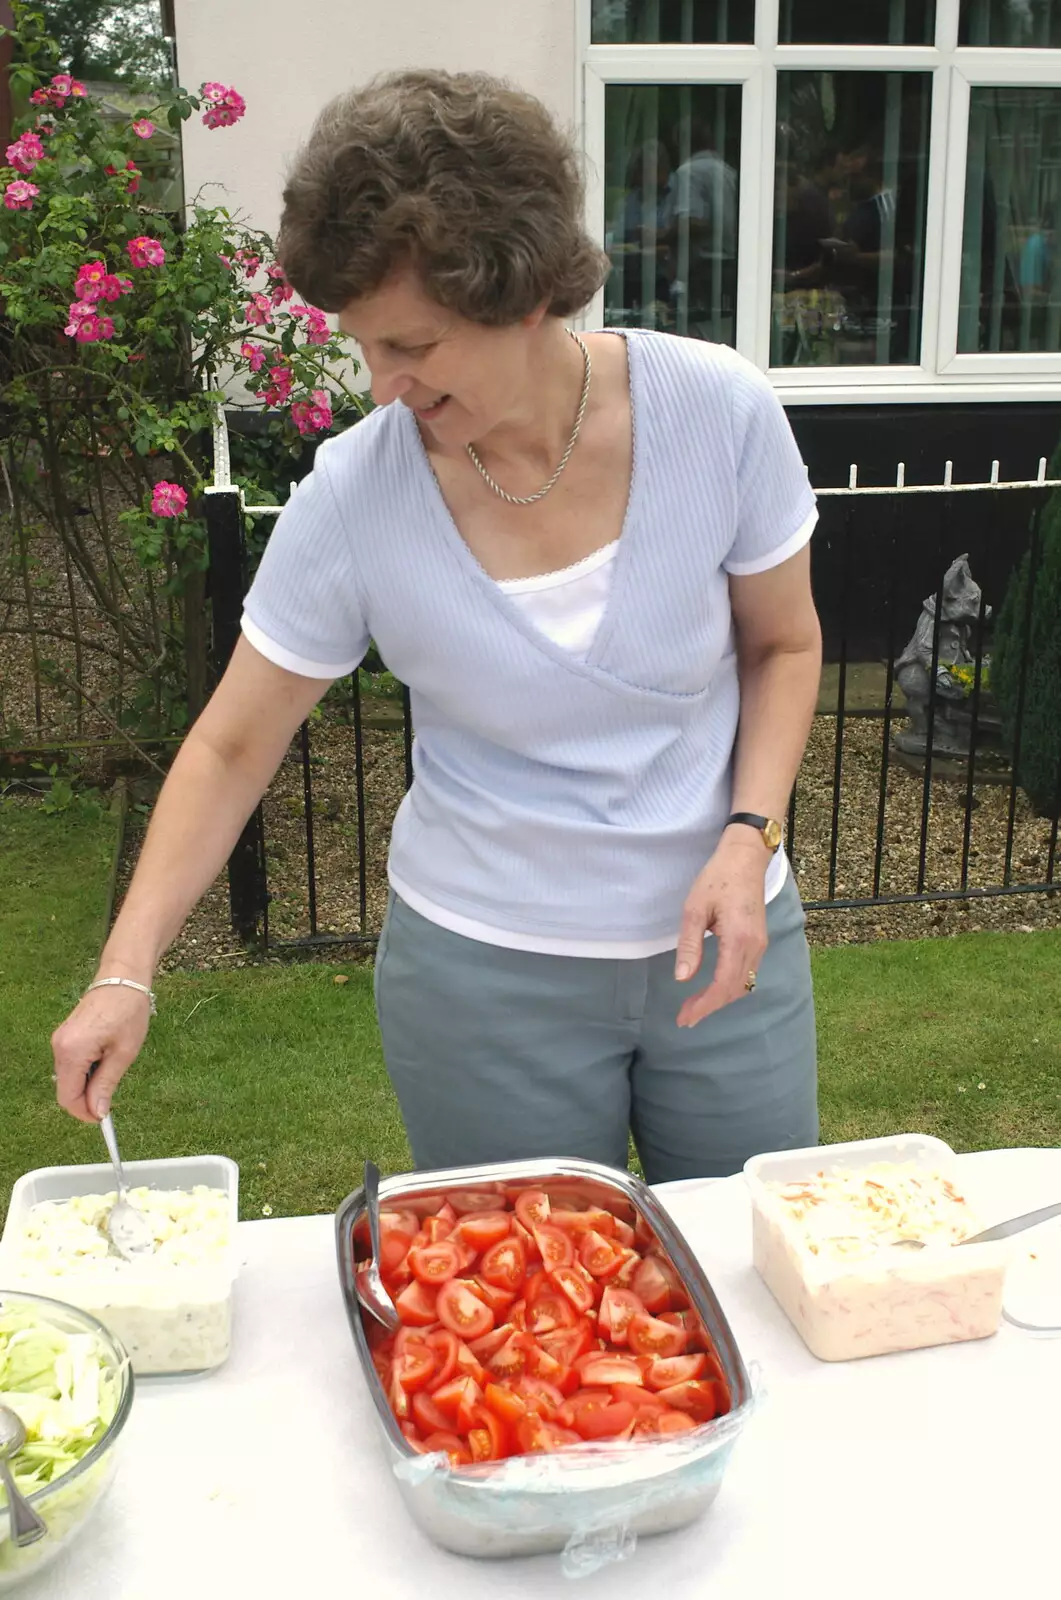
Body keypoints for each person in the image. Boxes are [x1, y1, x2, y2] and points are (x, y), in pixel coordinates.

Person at [51, 70, 823, 1184]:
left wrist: (747, 836)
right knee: (518, 1321)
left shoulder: (719, 410)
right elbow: (229, 745)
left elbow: (781, 644)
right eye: (364, 346)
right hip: (480, 981)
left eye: (410, 345)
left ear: (522, 292)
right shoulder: (353, 496)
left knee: (753, 1282)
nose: (381, 385)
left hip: (727, 946)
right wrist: (125, 970)